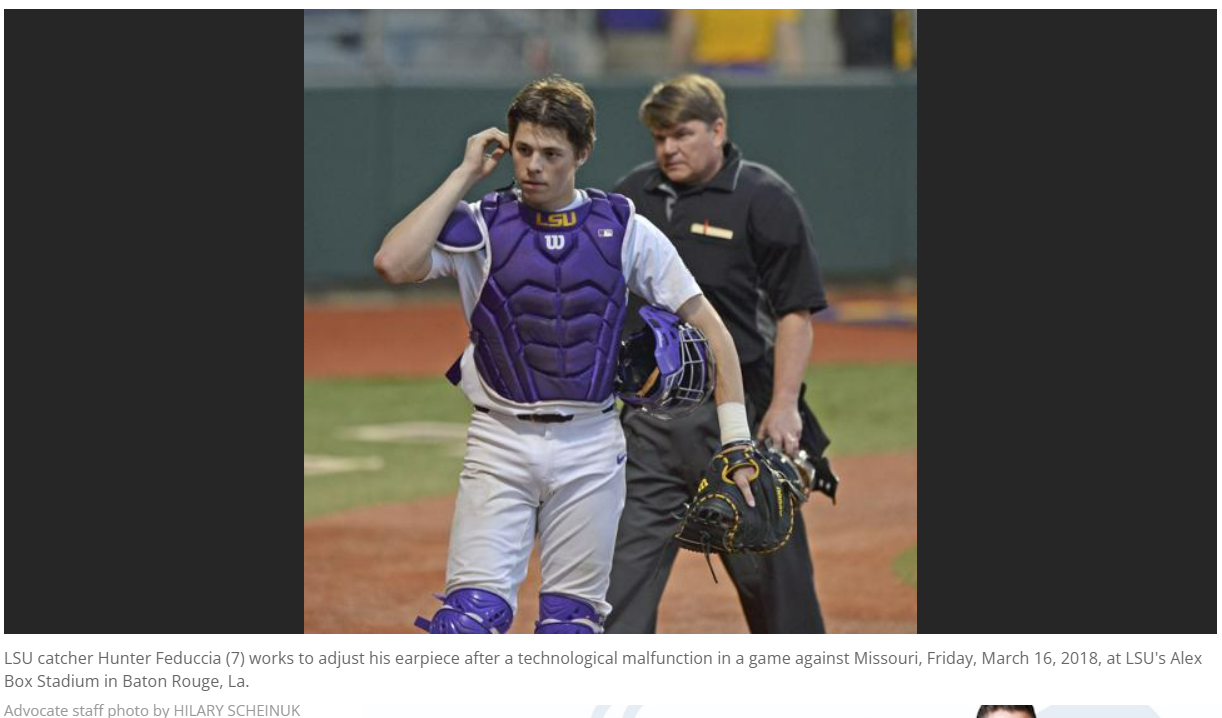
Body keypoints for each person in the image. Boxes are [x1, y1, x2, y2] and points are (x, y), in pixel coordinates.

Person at [373, 75, 755, 634]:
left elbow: (712, 329)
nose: (533, 166)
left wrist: (737, 437)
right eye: (523, 150)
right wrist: (462, 175)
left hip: (591, 447)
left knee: (570, 628)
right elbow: (393, 262)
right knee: (468, 622)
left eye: (551, 154)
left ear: (583, 152)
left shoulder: (624, 228)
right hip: (499, 442)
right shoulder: (480, 224)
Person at [605, 73, 836, 634]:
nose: (668, 149)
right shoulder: (631, 197)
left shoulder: (763, 198)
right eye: (659, 137)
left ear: (718, 129)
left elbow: (795, 314)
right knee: (618, 587)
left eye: (681, 134)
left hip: (739, 419)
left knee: (777, 591)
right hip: (649, 426)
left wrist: (783, 405)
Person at [670, 10, 803, 75]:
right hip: (755, 72)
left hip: (710, 71)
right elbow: (788, 40)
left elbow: (683, 35)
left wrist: (677, 71)